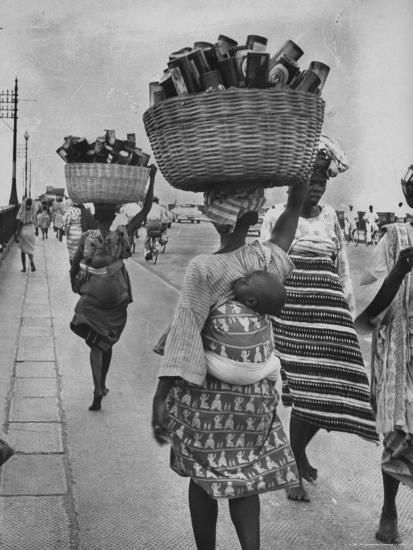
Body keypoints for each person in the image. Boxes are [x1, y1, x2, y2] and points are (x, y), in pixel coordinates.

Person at [151, 178, 308, 550]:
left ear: (212, 216)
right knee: (244, 479)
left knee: (202, 477)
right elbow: (289, 221)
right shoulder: (265, 259)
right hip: (254, 401)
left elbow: (185, 332)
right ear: (253, 215)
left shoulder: (204, 269)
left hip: (208, 400)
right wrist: (298, 190)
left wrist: (161, 397)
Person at [260, 135, 378, 502]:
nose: (316, 189)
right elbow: (267, 264)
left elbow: (340, 266)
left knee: (330, 391)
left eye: (322, 183)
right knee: (306, 394)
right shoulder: (276, 216)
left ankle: (297, 453)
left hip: (327, 320)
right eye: (310, 182)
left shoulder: (330, 217)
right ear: (297, 183)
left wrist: (347, 311)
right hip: (293, 321)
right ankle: (294, 464)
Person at [355, 164, 413, 545]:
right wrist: (397, 272)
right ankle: (389, 508)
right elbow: (366, 309)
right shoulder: (393, 240)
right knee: (398, 431)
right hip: (401, 350)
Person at [69, 165, 156, 411]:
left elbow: (74, 266)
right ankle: (102, 384)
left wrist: (75, 285)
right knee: (105, 342)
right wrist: (151, 178)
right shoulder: (122, 234)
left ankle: (98, 386)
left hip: (92, 300)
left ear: (96, 217)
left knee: (96, 343)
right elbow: (146, 209)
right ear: (115, 214)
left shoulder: (88, 238)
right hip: (116, 300)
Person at [15, 197, 37, 272]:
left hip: (24, 230)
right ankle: (32, 263)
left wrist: (17, 234)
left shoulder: (22, 210)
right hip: (31, 229)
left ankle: (24, 268)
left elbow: (20, 223)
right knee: (30, 249)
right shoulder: (33, 210)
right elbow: (35, 220)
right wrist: (36, 230)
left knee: (23, 251)